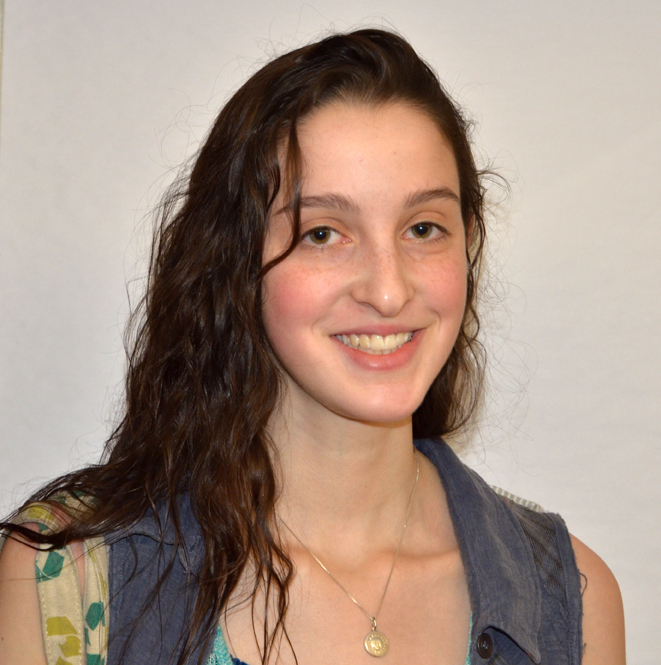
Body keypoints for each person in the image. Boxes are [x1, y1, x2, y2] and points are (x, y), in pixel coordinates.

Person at [0, 29, 625, 665]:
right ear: (235, 262)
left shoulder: (572, 603)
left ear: (467, 242)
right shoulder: (68, 579)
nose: (388, 291)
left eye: (423, 228)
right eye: (323, 233)